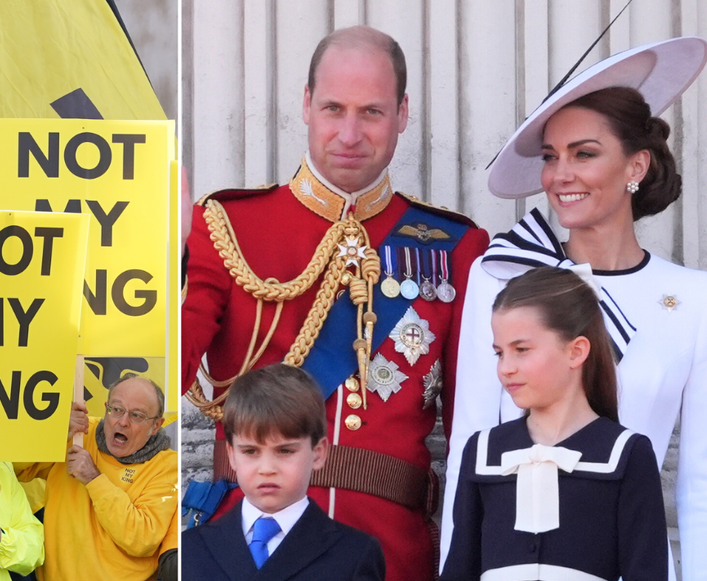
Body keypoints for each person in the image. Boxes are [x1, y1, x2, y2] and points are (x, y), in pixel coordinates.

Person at [182, 25, 488, 580]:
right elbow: (165, 371)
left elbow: (473, 427)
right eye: (333, 108)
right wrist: (157, 265)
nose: (349, 133)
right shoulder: (227, 225)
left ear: (403, 113)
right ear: (305, 105)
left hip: (392, 551)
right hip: (251, 546)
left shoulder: (457, 247)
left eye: (371, 112)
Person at [443, 37, 707, 581]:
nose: (559, 175)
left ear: (635, 165)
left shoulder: (697, 298)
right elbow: (468, 448)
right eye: (551, 157)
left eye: (585, 153)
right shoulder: (502, 277)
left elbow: (706, 484)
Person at [442, 267, 668, 580]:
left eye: (521, 350)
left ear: (576, 351)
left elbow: (646, 572)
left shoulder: (626, 454)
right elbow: (459, 570)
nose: (506, 368)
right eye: (499, 353)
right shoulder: (482, 452)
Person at [183, 363, 385, 580]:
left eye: (285, 451)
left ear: (318, 453)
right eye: (250, 451)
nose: (267, 469)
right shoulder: (190, 549)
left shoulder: (355, 554)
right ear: (231, 455)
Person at [15, 374, 178, 581]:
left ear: (156, 425)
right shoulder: (78, 434)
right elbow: (15, 468)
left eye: (137, 415)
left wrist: (94, 478)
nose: (123, 422)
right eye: (116, 410)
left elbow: (142, 539)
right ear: (106, 408)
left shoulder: (167, 465)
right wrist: (54, 436)